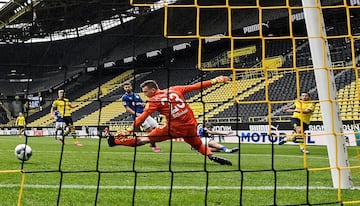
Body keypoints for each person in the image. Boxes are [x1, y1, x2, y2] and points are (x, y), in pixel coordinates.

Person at [104, 76, 233, 166]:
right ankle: (211, 156)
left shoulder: (154, 100)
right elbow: (195, 86)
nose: (145, 94)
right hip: (191, 126)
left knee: (144, 139)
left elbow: (143, 116)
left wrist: (129, 129)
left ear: (153, 90)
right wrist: (215, 80)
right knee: (198, 145)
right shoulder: (175, 89)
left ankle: (114, 142)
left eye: (145, 92)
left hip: (173, 129)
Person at [122, 83, 161, 153]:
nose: (127, 88)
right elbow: (127, 109)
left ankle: (148, 140)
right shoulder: (125, 97)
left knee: (157, 127)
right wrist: (136, 114)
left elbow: (141, 103)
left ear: (131, 87)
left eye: (128, 87)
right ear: (124, 89)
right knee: (149, 130)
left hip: (145, 113)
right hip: (138, 116)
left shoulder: (136, 95)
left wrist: (144, 104)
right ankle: (153, 146)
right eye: (126, 87)